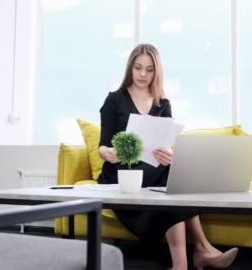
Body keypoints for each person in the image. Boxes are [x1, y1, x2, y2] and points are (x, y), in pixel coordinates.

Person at [97, 43, 238, 270]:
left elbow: (167, 144)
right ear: (130, 68)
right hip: (123, 175)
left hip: (153, 171)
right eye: (138, 68)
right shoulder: (114, 100)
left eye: (150, 69)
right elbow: (102, 146)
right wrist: (109, 153)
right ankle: (200, 250)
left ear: (157, 71)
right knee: (171, 183)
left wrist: (170, 154)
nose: (143, 74)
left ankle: (184, 261)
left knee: (175, 174)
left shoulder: (163, 104)